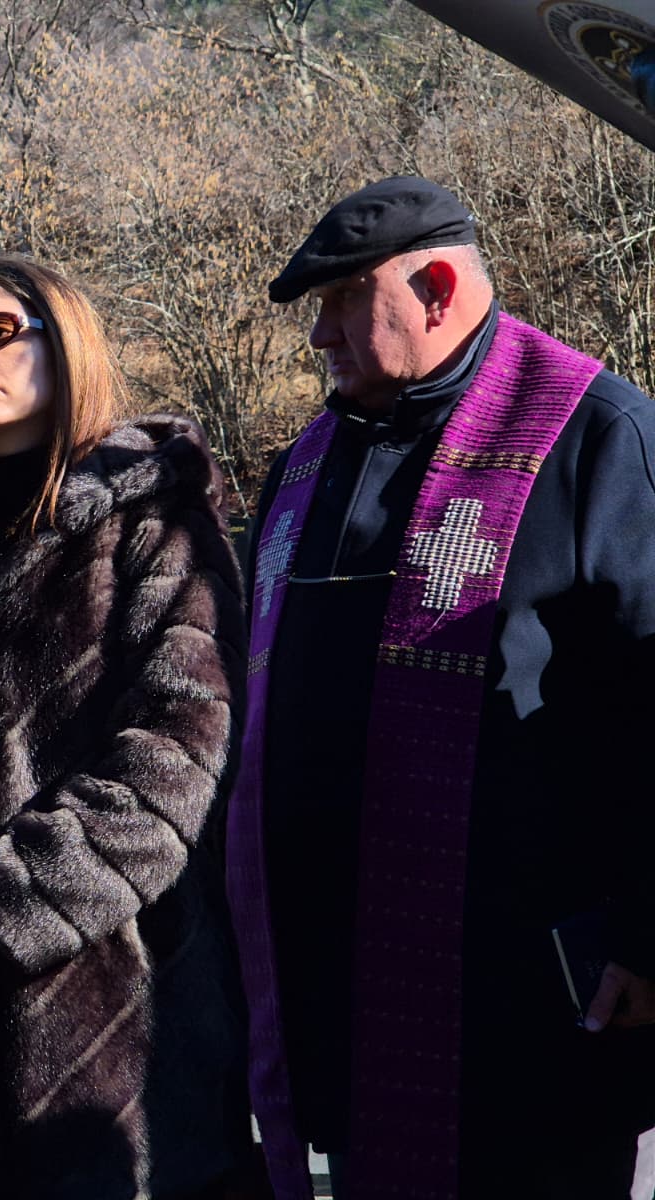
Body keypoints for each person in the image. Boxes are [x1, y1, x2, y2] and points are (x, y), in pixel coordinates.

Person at [229, 175, 655, 1200]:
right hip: (342, 999)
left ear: (435, 289)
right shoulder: (307, 468)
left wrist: (649, 935)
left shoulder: (598, 437)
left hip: (532, 1005)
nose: (318, 335)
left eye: (342, 299)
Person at [0, 258, 257, 1199]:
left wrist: (1, 899)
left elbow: (179, 753)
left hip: (123, 1005)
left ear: (64, 342)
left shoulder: (159, 519)